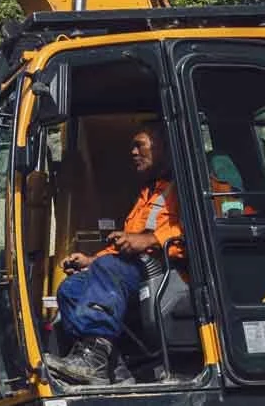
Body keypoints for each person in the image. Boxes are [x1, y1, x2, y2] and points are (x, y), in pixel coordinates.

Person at [44, 123, 189, 387]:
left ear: (162, 148)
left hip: (170, 269)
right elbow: (124, 244)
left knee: (110, 267)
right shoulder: (148, 194)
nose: (133, 152)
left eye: (139, 145)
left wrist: (150, 239)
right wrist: (90, 261)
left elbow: (203, 226)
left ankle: (94, 359)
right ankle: (113, 368)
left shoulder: (194, 184)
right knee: (70, 288)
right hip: (135, 269)